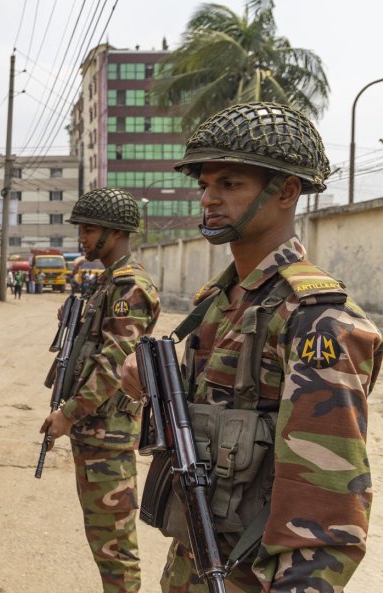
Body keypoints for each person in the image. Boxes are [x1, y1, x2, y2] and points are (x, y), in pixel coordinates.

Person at [119, 102, 383, 592]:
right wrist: (150, 386)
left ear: (286, 191)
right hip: (194, 563)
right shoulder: (220, 301)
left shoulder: (317, 319)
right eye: (204, 184)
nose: (208, 199)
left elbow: (324, 509)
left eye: (230, 184)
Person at [39, 188, 161, 593]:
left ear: (115, 232)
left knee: (114, 546)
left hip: (107, 434)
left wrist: (68, 413)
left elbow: (112, 366)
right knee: (102, 539)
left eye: (89, 230)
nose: (82, 238)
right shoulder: (107, 284)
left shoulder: (130, 287)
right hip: (96, 433)